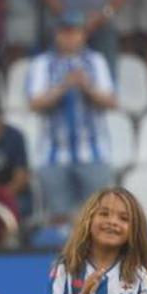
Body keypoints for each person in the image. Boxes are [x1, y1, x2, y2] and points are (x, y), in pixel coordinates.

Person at [27, 11, 117, 223]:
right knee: (58, 216)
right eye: (65, 32)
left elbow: (111, 101)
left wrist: (86, 87)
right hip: (53, 153)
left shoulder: (96, 61)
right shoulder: (42, 63)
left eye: (74, 32)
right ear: (56, 34)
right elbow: (35, 103)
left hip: (93, 153)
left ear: (83, 35)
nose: (70, 37)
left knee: (98, 215)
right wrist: (63, 86)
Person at [41, 0, 130, 78]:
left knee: (106, 77)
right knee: (56, 77)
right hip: (65, 28)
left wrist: (105, 14)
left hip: (103, 26)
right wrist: (66, 18)